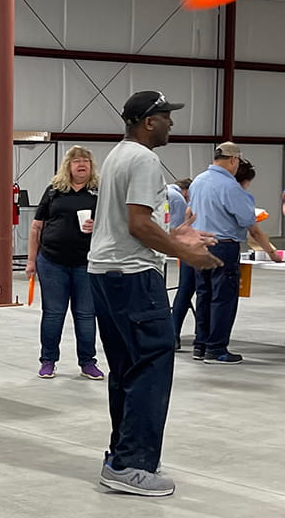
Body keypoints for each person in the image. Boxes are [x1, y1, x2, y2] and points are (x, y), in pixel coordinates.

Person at [88, 91, 222, 497]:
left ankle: (121, 456)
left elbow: (133, 222)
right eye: (166, 117)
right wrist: (187, 254)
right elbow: (138, 225)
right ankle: (132, 464)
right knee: (151, 365)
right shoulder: (144, 159)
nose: (171, 124)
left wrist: (174, 235)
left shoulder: (117, 155)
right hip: (133, 277)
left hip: (107, 273)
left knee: (127, 368)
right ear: (148, 121)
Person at [24, 146, 103, 380]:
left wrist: (96, 226)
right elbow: (36, 226)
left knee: (86, 315)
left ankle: (88, 362)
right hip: (52, 262)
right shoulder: (54, 192)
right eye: (77, 161)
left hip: (86, 263)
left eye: (86, 161)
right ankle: (48, 360)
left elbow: (113, 226)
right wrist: (31, 261)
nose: (82, 165)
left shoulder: (99, 192)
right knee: (53, 313)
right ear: (68, 165)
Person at [189, 142, 257, 365]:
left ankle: (200, 345)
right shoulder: (230, 186)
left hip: (199, 244)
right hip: (223, 246)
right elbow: (247, 219)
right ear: (234, 160)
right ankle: (217, 348)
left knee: (204, 294)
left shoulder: (198, 181)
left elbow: (191, 211)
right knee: (223, 297)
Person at [234, 160, 281, 265]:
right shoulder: (243, 197)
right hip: (227, 246)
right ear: (247, 181)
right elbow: (255, 232)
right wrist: (272, 253)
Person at [167, 178, 193, 351]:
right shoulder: (177, 197)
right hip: (186, 246)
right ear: (186, 191)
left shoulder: (165, 191)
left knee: (183, 292)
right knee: (195, 293)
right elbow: (177, 226)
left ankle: (173, 335)